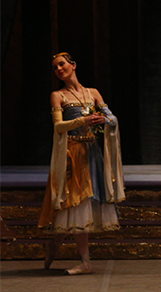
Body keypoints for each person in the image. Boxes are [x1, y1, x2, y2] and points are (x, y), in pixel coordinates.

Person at [38, 52, 124, 275]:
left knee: (82, 205)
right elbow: (58, 127)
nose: (58, 69)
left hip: (92, 153)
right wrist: (82, 120)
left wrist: (103, 119)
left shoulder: (92, 93)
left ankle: (83, 261)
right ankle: (55, 246)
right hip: (71, 154)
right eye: (55, 67)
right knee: (71, 205)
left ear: (73, 65)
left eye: (62, 64)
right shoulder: (58, 96)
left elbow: (112, 118)